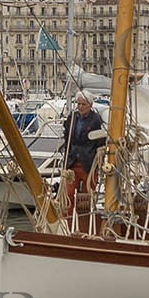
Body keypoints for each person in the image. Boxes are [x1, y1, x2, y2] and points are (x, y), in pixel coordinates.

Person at [61, 91, 106, 219]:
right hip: (72, 161)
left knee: (87, 195)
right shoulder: (72, 118)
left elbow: (100, 142)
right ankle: (67, 218)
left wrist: (99, 161)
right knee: (68, 193)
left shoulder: (96, 120)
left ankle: (85, 219)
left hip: (89, 163)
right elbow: (67, 138)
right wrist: (66, 158)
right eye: (79, 104)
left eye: (83, 104)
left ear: (90, 105)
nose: (80, 107)